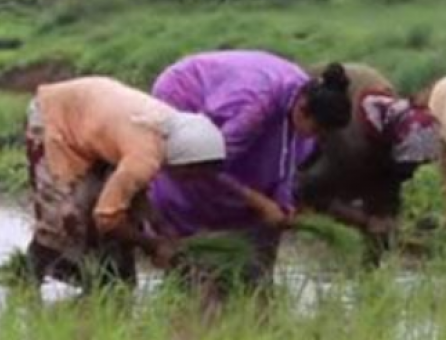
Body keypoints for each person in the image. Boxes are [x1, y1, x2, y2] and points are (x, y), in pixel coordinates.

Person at [149, 51, 353, 288]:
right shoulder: (255, 107)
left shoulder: (299, 97)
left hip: (246, 103)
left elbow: (286, 157)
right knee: (198, 184)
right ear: (302, 109)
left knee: (260, 183)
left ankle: (242, 276)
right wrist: (258, 201)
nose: (317, 137)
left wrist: (282, 201)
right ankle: (193, 271)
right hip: (186, 96)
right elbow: (207, 161)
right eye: (317, 130)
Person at [24, 77, 226, 289]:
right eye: (193, 172)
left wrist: (165, 235)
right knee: (64, 216)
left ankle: (113, 278)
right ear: (182, 159)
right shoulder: (144, 159)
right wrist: (153, 245)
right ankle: (29, 276)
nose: (194, 180)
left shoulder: (178, 130)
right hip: (58, 115)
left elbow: (135, 200)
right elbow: (106, 217)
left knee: (123, 209)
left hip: (96, 118)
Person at [296, 64, 441, 265]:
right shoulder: (346, 143)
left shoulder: (397, 121)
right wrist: (364, 221)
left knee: (382, 217)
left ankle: (370, 271)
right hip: (314, 158)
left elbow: (391, 184)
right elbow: (307, 192)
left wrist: (386, 217)